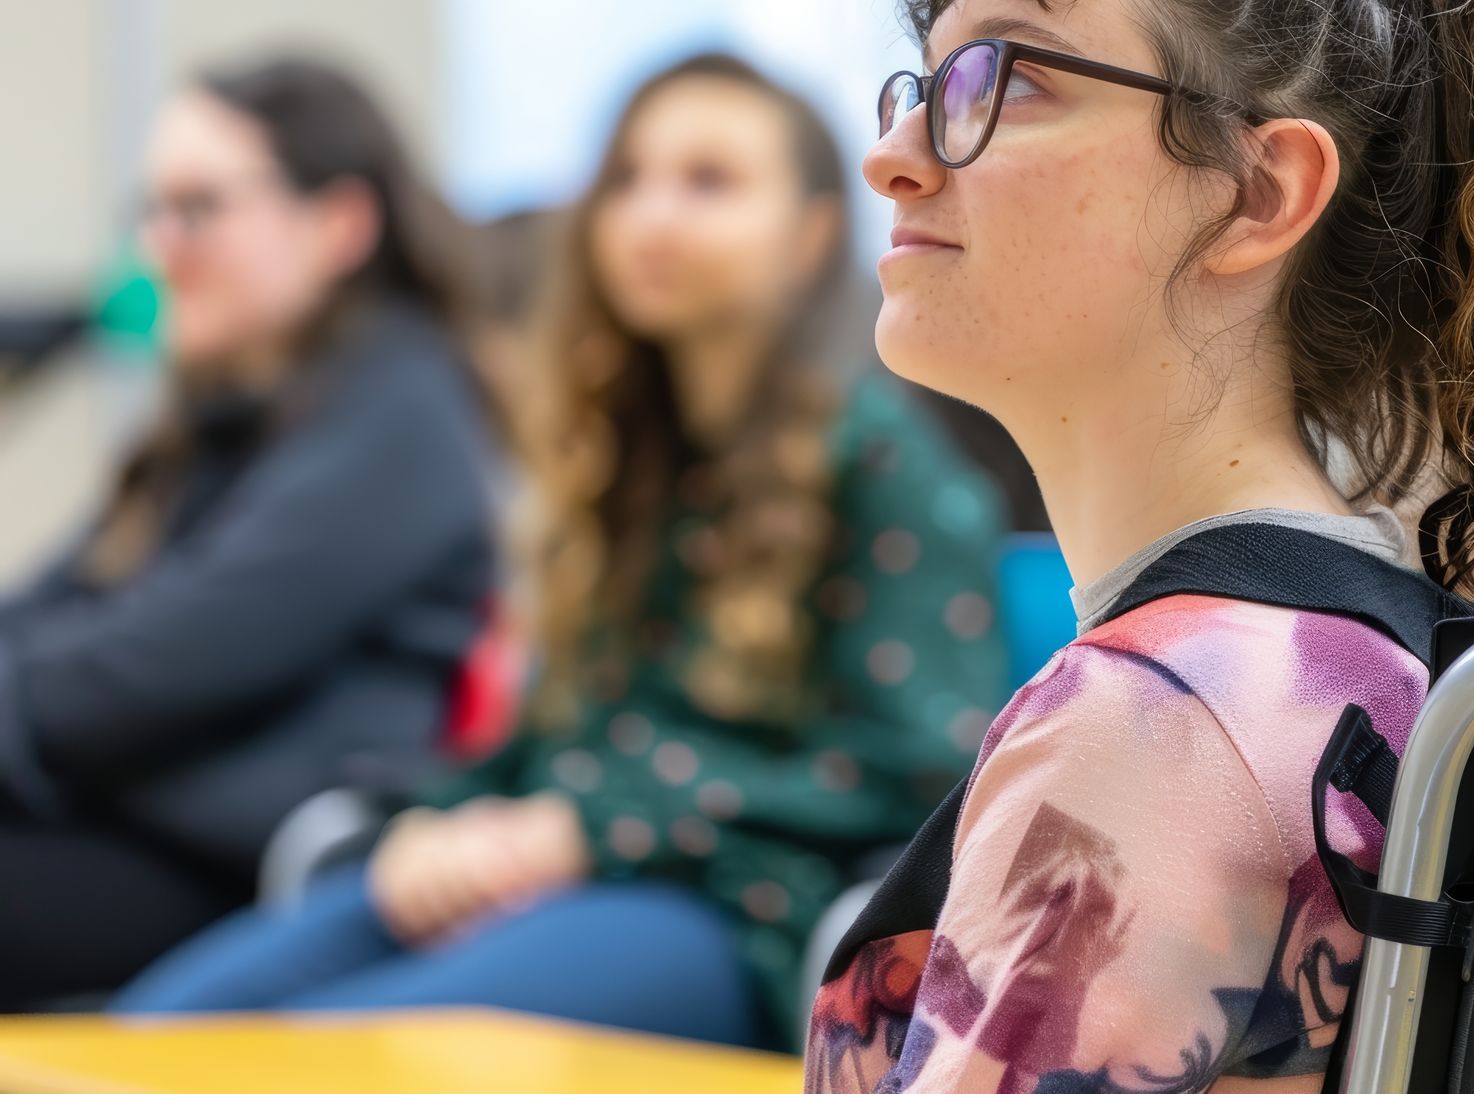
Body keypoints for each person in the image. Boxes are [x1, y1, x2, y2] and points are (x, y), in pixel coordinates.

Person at [804, 0, 1474, 1092]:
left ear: (1260, 191)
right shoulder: (1342, 645)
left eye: (1007, 83)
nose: (894, 158)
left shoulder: (1152, 729)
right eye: (926, 85)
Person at [118, 53, 1011, 1047]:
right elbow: (558, 742)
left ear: (808, 236)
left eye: (708, 182)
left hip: (726, 909)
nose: (650, 216)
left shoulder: (886, 467)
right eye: (626, 179)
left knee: (332, 1060)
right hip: (540, 862)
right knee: (150, 1037)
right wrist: (435, 826)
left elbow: (918, 773)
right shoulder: (618, 457)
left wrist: (590, 829)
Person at [0, 56, 497, 1007]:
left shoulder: (401, 414)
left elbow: (154, 667)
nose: (161, 245)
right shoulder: (224, 414)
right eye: (151, 210)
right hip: (108, 823)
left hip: (232, 876)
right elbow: (49, 614)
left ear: (340, 223)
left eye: (198, 208)